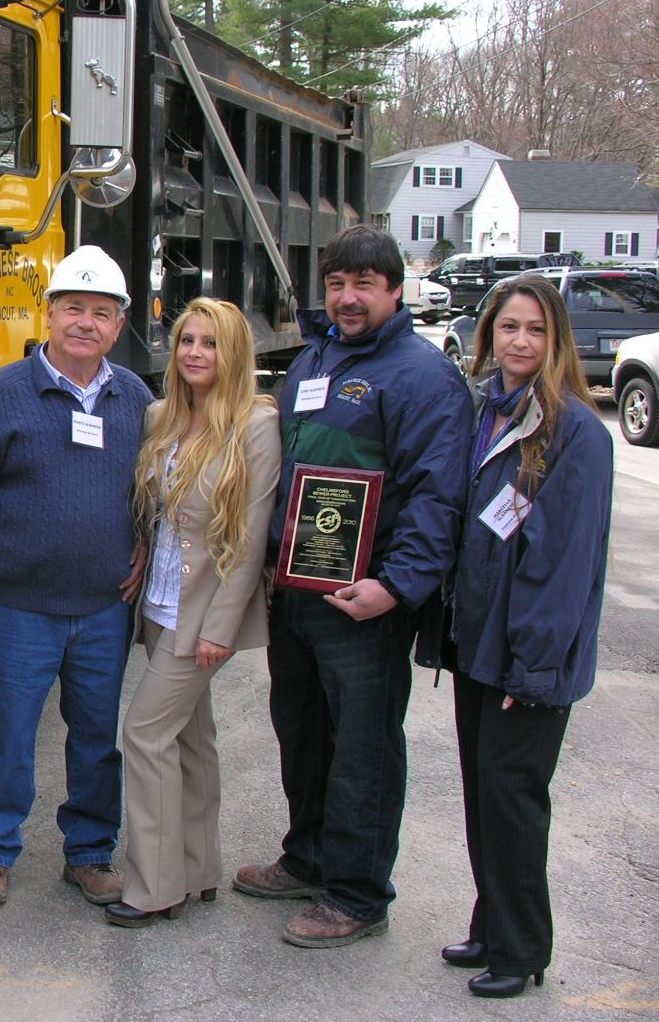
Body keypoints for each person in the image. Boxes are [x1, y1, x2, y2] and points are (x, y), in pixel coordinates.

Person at [234, 225, 472, 947]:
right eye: (336, 284)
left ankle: (358, 894)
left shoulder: (422, 376)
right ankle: (308, 858)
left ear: (395, 290)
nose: (347, 298)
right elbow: (285, 472)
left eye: (364, 285)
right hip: (297, 590)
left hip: (365, 602)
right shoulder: (315, 358)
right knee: (302, 732)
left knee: (363, 748)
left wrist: (395, 586)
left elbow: (437, 496)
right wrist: (271, 558)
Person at [0, 244, 153, 907]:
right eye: (73, 308)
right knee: (6, 735)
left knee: (96, 740)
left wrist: (146, 543)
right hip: (18, 609)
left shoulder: (136, 399)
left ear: (119, 325)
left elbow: (158, 488)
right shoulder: (1, 394)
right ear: (50, 313)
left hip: (103, 609)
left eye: (102, 312)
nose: (86, 322)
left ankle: (89, 853)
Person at [435, 276, 612, 998]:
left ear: (556, 339)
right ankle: (491, 924)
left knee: (514, 798)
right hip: (479, 643)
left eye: (536, 329)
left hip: (529, 658)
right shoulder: (487, 409)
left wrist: (534, 667)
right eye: (508, 327)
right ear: (488, 335)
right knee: (484, 794)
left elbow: (564, 563)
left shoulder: (576, 432)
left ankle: (521, 949)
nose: (520, 341)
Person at [104, 299, 280, 929]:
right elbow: (154, 511)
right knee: (189, 736)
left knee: (144, 733)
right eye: (186, 340)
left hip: (203, 614)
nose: (195, 353)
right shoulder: (162, 416)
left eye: (210, 343)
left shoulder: (257, 424)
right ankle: (198, 868)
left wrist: (220, 628)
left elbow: (250, 538)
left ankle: (155, 887)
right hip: (158, 605)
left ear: (233, 353)